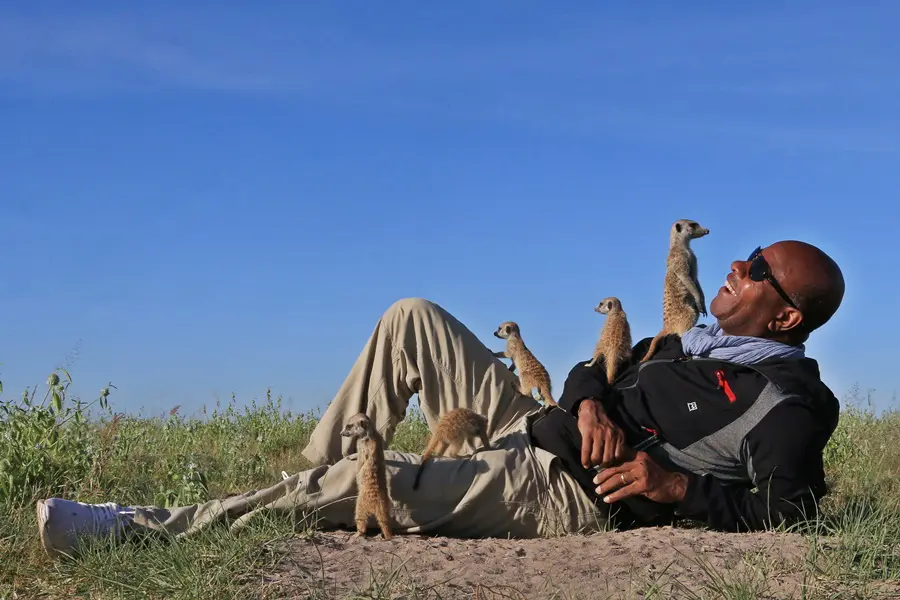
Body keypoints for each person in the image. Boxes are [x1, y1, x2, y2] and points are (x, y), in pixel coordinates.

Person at [37, 240, 845, 559]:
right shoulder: (687, 341)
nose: (734, 268)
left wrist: (676, 489)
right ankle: (306, 478)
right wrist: (590, 398)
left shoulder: (785, 401)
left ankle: (136, 534)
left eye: (756, 269)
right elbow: (591, 370)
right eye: (741, 257)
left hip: (562, 487)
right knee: (411, 318)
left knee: (373, 478)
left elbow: (793, 505)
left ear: (785, 315)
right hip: (543, 424)